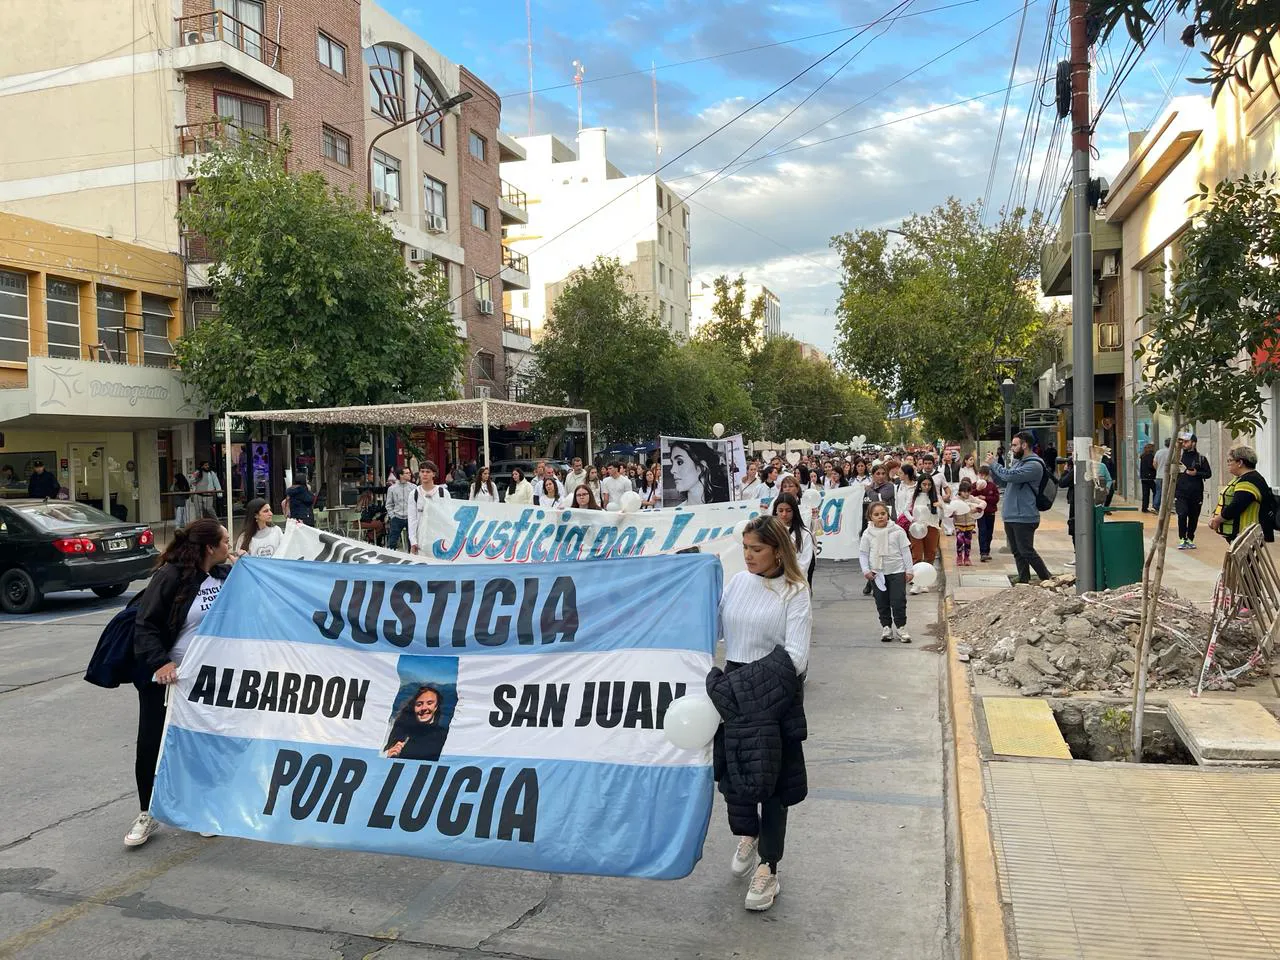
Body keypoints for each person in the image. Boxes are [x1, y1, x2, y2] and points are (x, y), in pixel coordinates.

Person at [713, 515, 810, 912]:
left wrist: (752, 687)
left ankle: (769, 866)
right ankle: (747, 835)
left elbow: (798, 655)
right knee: (735, 775)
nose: (749, 556)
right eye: (745, 548)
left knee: (773, 784)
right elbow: (718, 628)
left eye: (757, 549)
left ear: (777, 550)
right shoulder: (737, 582)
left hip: (775, 691)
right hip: (736, 685)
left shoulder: (795, 591)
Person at [126, 519, 232, 847]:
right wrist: (162, 662)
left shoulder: (222, 574)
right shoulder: (171, 576)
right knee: (153, 745)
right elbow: (145, 625)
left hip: (207, 680)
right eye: (225, 541)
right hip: (168, 679)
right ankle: (147, 812)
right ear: (209, 547)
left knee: (203, 743)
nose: (229, 545)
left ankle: (200, 809)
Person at [986, 431, 1053, 584]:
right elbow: (1004, 481)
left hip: (1024, 515)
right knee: (1017, 551)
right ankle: (1024, 579)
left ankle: (1048, 578)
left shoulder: (1034, 465)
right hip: (1011, 514)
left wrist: (994, 464)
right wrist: (993, 470)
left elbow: (1010, 476)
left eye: (1015, 445)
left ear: (1025, 445)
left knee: (1026, 550)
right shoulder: (1019, 462)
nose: (1012, 448)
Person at [860, 501, 915, 642]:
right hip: (877, 574)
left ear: (888, 514)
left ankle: (901, 627)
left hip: (897, 571)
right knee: (881, 601)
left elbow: (905, 551)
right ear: (870, 517)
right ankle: (886, 627)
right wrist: (866, 570)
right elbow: (864, 554)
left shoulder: (897, 531)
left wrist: (909, 570)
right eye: (876, 515)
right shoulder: (867, 534)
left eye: (883, 514)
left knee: (898, 601)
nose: (880, 517)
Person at [1210, 445, 1272, 543]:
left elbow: (1236, 506)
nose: (1228, 464)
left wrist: (1217, 519)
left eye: (1230, 460)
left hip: (1246, 534)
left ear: (1240, 463)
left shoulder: (1249, 481)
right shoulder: (1246, 478)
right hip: (1245, 534)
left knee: (1244, 558)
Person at [383, 685, 449, 761]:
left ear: (436, 706)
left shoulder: (445, 736)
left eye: (429, 703)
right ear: (413, 707)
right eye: (419, 704)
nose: (424, 708)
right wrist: (387, 755)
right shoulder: (399, 731)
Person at [904, 474, 942, 592]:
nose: (927, 487)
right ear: (919, 485)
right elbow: (905, 510)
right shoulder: (914, 497)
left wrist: (939, 508)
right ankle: (916, 582)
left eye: (929, 484)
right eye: (924, 484)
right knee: (917, 554)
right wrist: (912, 519)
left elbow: (940, 515)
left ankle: (925, 581)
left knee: (930, 554)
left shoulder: (935, 498)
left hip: (932, 527)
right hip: (917, 528)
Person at [1174, 432, 1211, 550]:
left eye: (1186, 441)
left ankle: (1190, 538)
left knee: (1194, 516)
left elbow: (1208, 474)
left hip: (1196, 493)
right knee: (1182, 514)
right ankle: (1182, 538)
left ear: (1193, 443)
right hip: (1180, 492)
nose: (1184, 444)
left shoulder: (1201, 458)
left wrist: (1196, 473)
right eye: (1182, 442)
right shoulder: (1178, 457)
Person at [772, 493, 816, 587]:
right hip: (773, 582)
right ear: (776, 511)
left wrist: (788, 578)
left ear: (794, 511)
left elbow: (804, 563)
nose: (784, 514)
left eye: (788, 511)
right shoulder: (770, 532)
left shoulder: (805, 533)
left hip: (797, 583)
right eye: (781, 510)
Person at [667, 440, 730, 506]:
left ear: (702, 466)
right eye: (672, 463)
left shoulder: (723, 505)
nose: (672, 470)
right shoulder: (678, 510)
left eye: (680, 462)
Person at [407, 463, 450, 555]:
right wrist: (413, 541)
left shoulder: (443, 493)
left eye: (428, 472)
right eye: (422, 471)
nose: (425, 474)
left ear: (433, 474)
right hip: (420, 538)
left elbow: (448, 518)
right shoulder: (414, 494)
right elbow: (412, 520)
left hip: (439, 538)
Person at [946, 479, 984, 566]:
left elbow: (982, 502)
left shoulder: (971, 498)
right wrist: (951, 513)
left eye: (968, 491)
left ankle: (967, 557)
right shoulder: (955, 500)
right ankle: (959, 557)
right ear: (960, 491)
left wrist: (978, 508)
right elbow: (949, 511)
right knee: (960, 540)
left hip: (970, 524)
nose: (966, 493)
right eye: (964, 492)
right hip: (959, 524)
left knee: (968, 541)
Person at [384, 467, 415, 550]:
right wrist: (392, 516)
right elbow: (389, 504)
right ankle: (390, 559)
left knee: (412, 541)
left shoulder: (414, 487)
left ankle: (411, 559)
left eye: (409, 472)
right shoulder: (392, 489)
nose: (410, 474)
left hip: (410, 518)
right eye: (407, 473)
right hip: (397, 517)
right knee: (392, 542)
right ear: (401, 475)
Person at [973, 465, 1000, 562]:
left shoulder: (992, 486)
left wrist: (986, 498)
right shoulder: (975, 485)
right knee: (982, 531)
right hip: (981, 513)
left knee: (989, 532)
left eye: (985, 476)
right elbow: (970, 495)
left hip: (990, 512)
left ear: (988, 476)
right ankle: (983, 552)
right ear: (978, 475)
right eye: (981, 475)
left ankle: (987, 550)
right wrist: (977, 490)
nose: (983, 477)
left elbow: (996, 499)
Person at [1153, 438, 1171, 511]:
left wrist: (1158, 469)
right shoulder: (1172, 452)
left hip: (1158, 475)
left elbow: (1154, 463)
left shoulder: (1159, 452)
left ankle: (1156, 506)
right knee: (1167, 493)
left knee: (1158, 491)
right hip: (1168, 476)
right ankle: (1165, 507)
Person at [1139, 443, 1157, 513]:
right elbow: (1150, 466)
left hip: (1143, 477)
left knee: (1145, 493)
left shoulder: (1143, 456)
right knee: (1156, 491)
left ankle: (1144, 508)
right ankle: (1155, 505)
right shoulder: (1150, 456)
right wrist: (1155, 467)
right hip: (1149, 477)